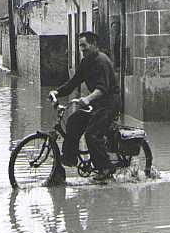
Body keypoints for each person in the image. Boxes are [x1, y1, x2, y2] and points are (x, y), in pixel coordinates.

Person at [49, 31, 120, 183]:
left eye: (85, 46)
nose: (82, 49)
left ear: (94, 45)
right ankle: (70, 158)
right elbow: (74, 82)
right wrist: (57, 92)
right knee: (74, 120)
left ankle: (105, 168)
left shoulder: (102, 61)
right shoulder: (85, 62)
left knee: (91, 134)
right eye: (80, 46)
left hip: (109, 104)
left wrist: (87, 99)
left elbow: (102, 89)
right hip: (96, 104)